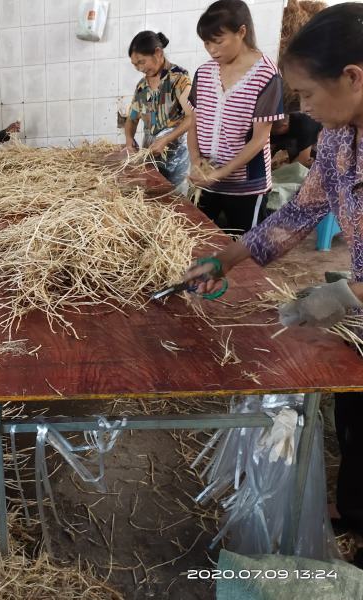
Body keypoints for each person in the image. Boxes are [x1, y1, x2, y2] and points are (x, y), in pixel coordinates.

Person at [182, 2, 363, 567]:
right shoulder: (337, 139)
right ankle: (354, 510)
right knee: (353, 414)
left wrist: (349, 296)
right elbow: (296, 215)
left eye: (307, 94)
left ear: (353, 77)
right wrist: (226, 258)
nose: (301, 109)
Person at [187, 0, 285, 234]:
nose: (212, 49)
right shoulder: (204, 72)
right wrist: (195, 160)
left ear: (242, 32)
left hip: (246, 188)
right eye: (206, 43)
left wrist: (220, 173)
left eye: (218, 41)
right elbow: (194, 121)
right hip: (206, 182)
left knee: (242, 254)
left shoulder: (267, 75)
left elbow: (260, 139)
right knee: (199, 243)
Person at [124, 31, 193, 191]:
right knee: (151, 198)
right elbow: (132, 119)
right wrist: (129, 139)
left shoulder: (179, 78)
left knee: (175, 201)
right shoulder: (142, 86)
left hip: (176, 156)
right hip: (150, 155)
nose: (140, 68)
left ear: (158, 53)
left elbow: (191, 117)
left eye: (142, 62)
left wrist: (165, 140)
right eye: (135, 65)